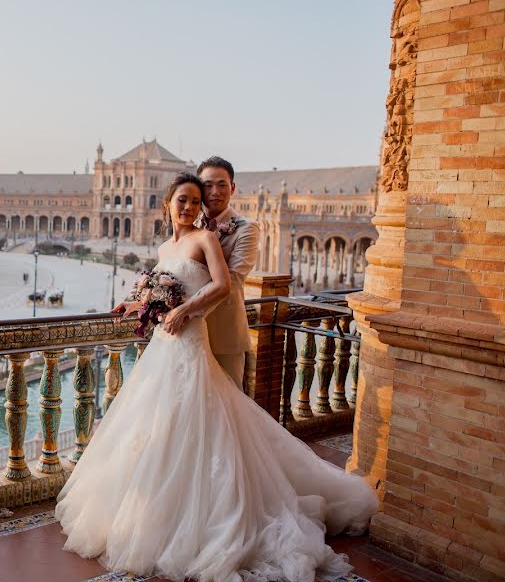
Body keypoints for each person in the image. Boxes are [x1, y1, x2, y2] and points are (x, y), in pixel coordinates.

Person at [55, 172, 377, 582]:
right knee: (158, 425)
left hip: (190, 339)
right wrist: (135, 304)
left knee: (201, 422)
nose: (188, 207)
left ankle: (204, 516)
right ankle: (159, 511)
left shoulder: (205, 239)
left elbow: (224, 286)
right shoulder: (163, 246)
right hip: (164, 346)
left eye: (194, 200)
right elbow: (158, 291)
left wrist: (183, 310)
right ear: (168, 203)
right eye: (181, 200)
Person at [198, 156, 259, 391]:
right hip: (189, 336)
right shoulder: (189, 223)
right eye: (208, 185)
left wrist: (186, 309)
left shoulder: (246, 228)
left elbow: (233, 280)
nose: (215, 191)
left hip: (225, 334)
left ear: (232, 188)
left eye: (222, 184)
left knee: (229, 407)